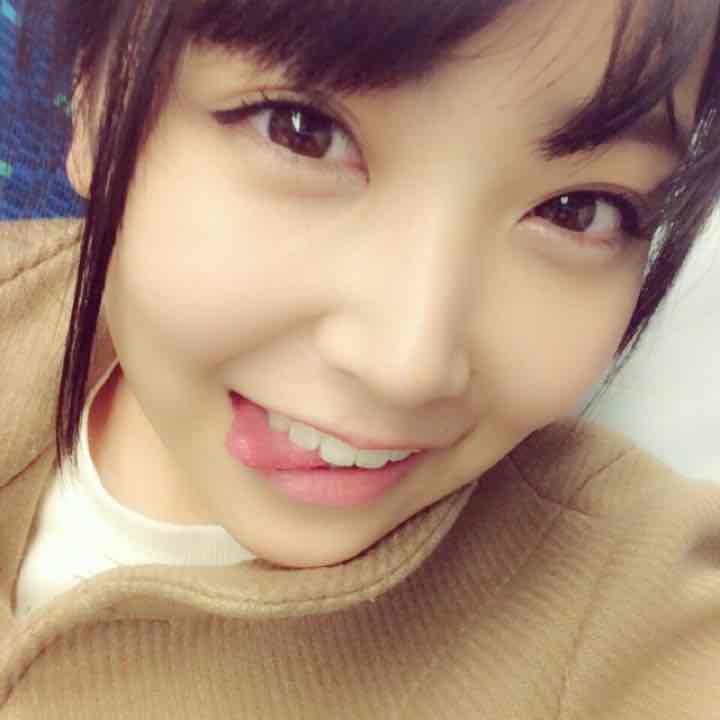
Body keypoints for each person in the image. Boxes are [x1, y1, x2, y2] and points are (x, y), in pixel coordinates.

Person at [1, 0, 720, 716]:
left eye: (579, 210)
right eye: (302, 132)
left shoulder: (628, 608)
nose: (407, 367)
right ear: (97, 96)